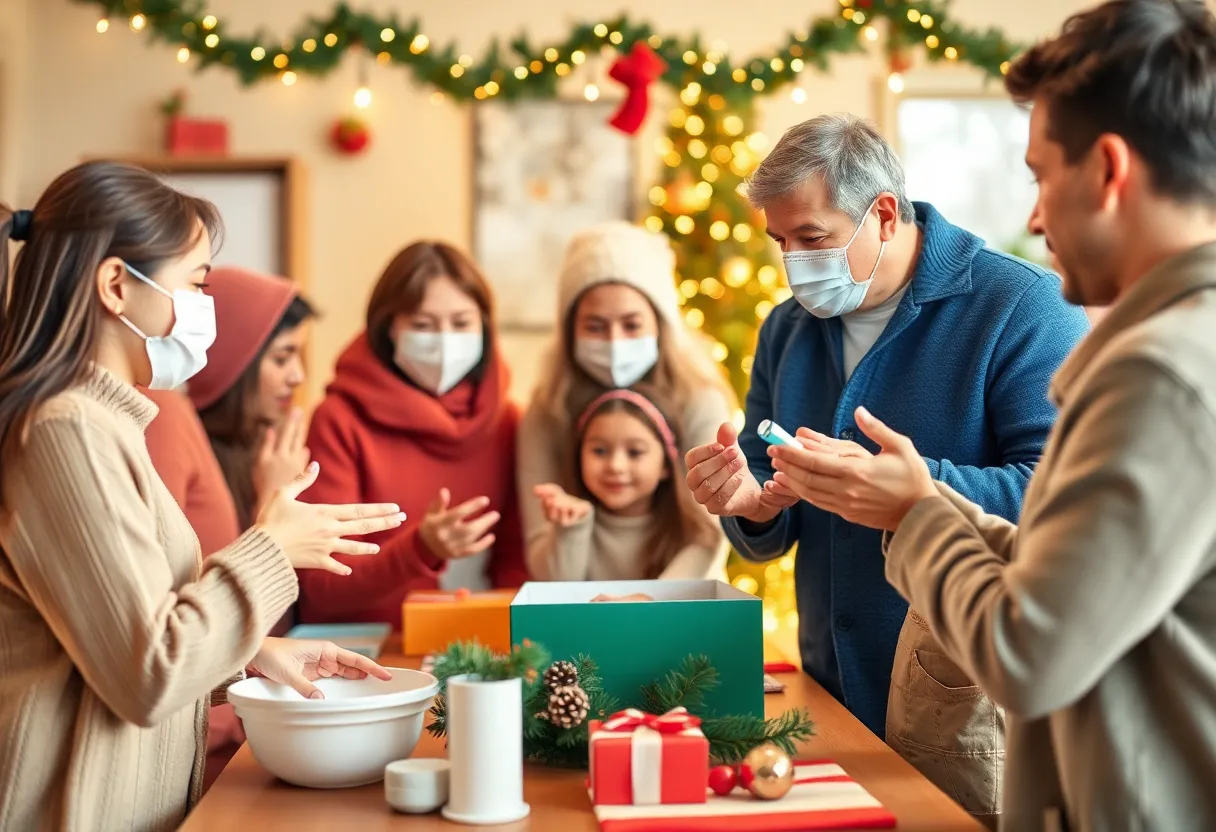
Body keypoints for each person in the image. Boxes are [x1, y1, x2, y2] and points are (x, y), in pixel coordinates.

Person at [768, 1, 1216, 827]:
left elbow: (1029, 651)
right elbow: (1072, 571)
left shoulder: (1160, 373)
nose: (1035, 217)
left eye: (1041, 176)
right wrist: (920, 504)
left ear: (1108, 171)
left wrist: (915, 512)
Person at [684, 114, 1089, 819]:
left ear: (883, 214)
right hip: (828, 690)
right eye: (781, 242)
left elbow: (1062, 502)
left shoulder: (1022, 307)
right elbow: (766, 497)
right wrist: (750, 501)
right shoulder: (786, 329)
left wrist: (913, 491)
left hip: (970, 701)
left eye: (813, 238)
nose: (794, 262)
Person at [0, 161, 407, 831]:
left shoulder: (106, 424)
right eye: (195, 284)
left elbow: (111, 643)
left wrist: (248, 655)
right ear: (116, 286)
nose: (202, 309)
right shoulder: (66, 430)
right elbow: (147, 674)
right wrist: (271, 548)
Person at [143, 265, 316, 790]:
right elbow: (169, 602)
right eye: (281, 357)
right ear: (235, 361)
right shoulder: (166, 422)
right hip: (206, 734)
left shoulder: (262, 447)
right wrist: (271, 515)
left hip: (237, 714)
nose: (297, 377)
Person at [298, 241, 527, 625]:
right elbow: (322, 585)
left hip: (476, 643)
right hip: (362, 647)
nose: (445, 340)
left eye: (461, 323)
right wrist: (420, 548)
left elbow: (516, 563)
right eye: (423, 325)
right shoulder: (338, 422)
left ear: (485, 328)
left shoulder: (508, 422)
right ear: (389, 328)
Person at [519, 221, 735, 579]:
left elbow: (709, 530)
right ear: (571, 329)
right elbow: (542, 550)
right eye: (595, 326)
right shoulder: (547, 412)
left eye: (631, 325)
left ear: (659, 325)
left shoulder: (699, 400)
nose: (614, 341)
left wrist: (650, 602)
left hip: (683, 599)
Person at [530, 387, 723, 580]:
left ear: (665, 464)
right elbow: (558, 585)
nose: (615, 466)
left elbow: (677, 588)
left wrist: (650, 596)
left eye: (635, 452)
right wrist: (571, 529)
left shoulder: (694, 535)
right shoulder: (573, 524)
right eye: (599, 451)